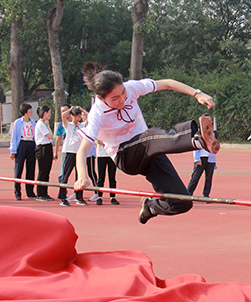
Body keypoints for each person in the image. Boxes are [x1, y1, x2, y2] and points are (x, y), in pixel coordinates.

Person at [73, 62, 218, 224]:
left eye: (123, 93)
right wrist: (82, 176)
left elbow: (167, 83)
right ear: (101, 98)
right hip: (126, 155)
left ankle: (151, 207)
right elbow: (83, 149)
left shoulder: (132, 87)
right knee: (149, 137)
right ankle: (197, 140)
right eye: (115, 98)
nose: (122, 100)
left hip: (150, 150)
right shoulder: (97, 114)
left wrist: (197, 94)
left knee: (182, 201)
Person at [59, 106, 88, 207]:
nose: (77, 119)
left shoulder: (81, 125)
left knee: (79, 176)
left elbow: (89, 117)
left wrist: (82, 110)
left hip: (78, 153)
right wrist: (70, 109)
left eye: (79, 117)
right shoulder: (68, 125)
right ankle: (62, 198)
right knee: (65, 175)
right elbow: (63, 115)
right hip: (69, 152)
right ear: (72, 116)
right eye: (76, 116)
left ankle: (79, 197)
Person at [9, 102, 37, 200]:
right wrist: (13, 150)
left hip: (31, 144)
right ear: (25, 111)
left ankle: (30, 192)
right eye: (29, 110)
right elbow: (14, 137)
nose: (31, 111)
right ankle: (17, 192)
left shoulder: (33, 122)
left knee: (31, 169)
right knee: (18, 169)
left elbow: (35, 136)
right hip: (21, 144)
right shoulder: (18, 122)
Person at [34, 105, 56, 201]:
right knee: (43, 171)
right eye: (49, 113)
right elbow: (51, 135)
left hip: (47, 147)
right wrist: (48, 126)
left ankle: (44, 193)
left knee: (47, 171)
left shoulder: (44, 123)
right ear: (44, 113)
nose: (50, 115)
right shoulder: (41, 124)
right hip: (42, 148)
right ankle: (40, 193)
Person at [95, 138, 120, 206]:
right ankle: (99, 197)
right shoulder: (100, 133)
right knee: (101, 177)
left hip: (111, 155)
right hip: (101, 155)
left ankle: (112, 197)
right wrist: (109, 142)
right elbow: (99, 141)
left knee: (112, 177)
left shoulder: (112, 133)